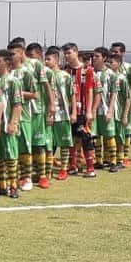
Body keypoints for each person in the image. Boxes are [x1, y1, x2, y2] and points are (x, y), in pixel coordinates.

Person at [0, 50, 23, 198]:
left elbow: (17, 104)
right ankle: (1, 185)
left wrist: (13, 123)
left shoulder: (12, 81)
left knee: (11, 155)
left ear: (7, 64)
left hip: (7, 124)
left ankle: (13, 186)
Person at [62, 43, 97, 177]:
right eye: (65, 54)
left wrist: (89, 111)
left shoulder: (86, 71)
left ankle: (90, 168)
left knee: (85, 137)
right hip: (68, 111)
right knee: (70, 138)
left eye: (69, 53)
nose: (66, 56)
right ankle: (73, 165)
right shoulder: (65, 71)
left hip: (81, 110)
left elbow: (89, 91)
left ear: (76, 53)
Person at [25, 43, 56, 189]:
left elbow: (49, 90)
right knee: (26, 145)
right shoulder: (17, 68)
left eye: (33, 56)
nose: (31, 59)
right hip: (25, 113)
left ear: (39, 55)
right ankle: (27, 175)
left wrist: (51, 108)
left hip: (39, 112)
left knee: (41, 144)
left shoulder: (45, 71)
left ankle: (44, 175)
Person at [8, 41, 37, 193]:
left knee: (25, 148)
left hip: (24, 116)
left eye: (13, 54)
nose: (10, 57)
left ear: (21, 53)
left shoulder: (26, 72)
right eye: (9, 54)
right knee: (13, 149)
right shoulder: (8, 72)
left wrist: (17, 92)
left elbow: (35, 94)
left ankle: (28, 177)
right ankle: (16, 176)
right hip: (8, 117)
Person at [44, 46, 76, 181]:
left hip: (62, 115)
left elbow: (73, 95)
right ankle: (48, 170)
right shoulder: (44, 75)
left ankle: (63, 169)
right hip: (48, 116)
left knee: (64, 143)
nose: (45, 62)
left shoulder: (65, 76)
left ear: (56, 60)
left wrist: (74, 112)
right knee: (48, 144)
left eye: (48, 59)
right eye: (44, 59)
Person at [109, 42, 131, 167]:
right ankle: (112, 157)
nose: (114, 53)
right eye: (112, 51)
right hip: (110, 103)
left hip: (124, 102)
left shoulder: (129, 67)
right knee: (112, 131)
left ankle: (125, 156)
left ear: (123, 53)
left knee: (125, 129)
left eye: (116, 51)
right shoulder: (109, 67)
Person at [91, 47, 119, 172]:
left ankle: (113, 162)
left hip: (106, 109)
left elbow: (114, 93)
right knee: (96, 135)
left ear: (104, 58)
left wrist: (110, 110)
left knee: (109, 135)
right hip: (94, 110)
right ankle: (98, 161)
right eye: (94, 56)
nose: (94, 58)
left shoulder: (111, 74)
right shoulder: (91, 73)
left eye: (97, 56)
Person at [109, 54, 131, 171]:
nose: (110, 64)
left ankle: (120, 160)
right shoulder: (107, 77)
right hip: (110, 113)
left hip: (119, 113)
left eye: (112, 62)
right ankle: (111, 160)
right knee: (111, 136)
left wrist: (124, 115)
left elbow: (129, 98)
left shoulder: (122, 78)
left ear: (118, 64)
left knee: (120, 137)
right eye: (108, 62)